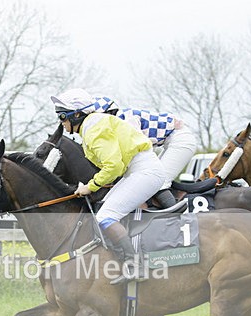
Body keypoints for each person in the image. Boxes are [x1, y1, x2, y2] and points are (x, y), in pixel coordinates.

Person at [51, 88, 173, 284]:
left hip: (144, 171)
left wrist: (90, 186)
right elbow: (117, 164)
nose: (61, 123)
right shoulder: (93, 124)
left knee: (105, 217)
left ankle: (135, 266)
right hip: (138, 170)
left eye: (62, 116)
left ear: (76, 115)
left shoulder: (92, 128)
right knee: (103, 209)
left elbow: (113, 165)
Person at [89, 96, 196, 206]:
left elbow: (139, 149)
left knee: (157, 182)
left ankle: (175, 213)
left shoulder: (126, 120)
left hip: (181, 140)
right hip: (170, 141)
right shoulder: (118, 121)